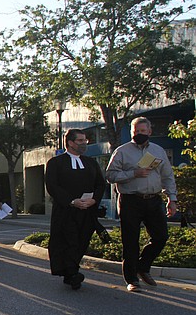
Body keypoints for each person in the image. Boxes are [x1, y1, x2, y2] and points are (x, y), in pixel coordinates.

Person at [105, 117, 178, 292]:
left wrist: (172, 199)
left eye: (142, 131)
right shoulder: (122, 151)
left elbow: (168, 176)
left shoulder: (158, 151)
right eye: (136, 132)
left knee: (161, 237)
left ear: (149, 132)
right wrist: (133, 173)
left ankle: (142, 266)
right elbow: (110, 175)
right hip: (131, 200)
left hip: (153, 199)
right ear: (131, 132)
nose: (139, 134)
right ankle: (131, 280)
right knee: (130, 241)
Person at [45, 129, 106, 290]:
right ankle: (72, 273)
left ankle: (71, 271)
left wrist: (93, 200)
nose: (84, 143)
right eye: (80, 141)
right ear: (70, 143)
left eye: (85, 140)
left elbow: (100, 184)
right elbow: (52, 186)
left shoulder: (91, 162)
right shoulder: (55, 163)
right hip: (66, 211)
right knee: (68, 241)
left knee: (81, 241)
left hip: (87, 210)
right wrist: (72, 201)